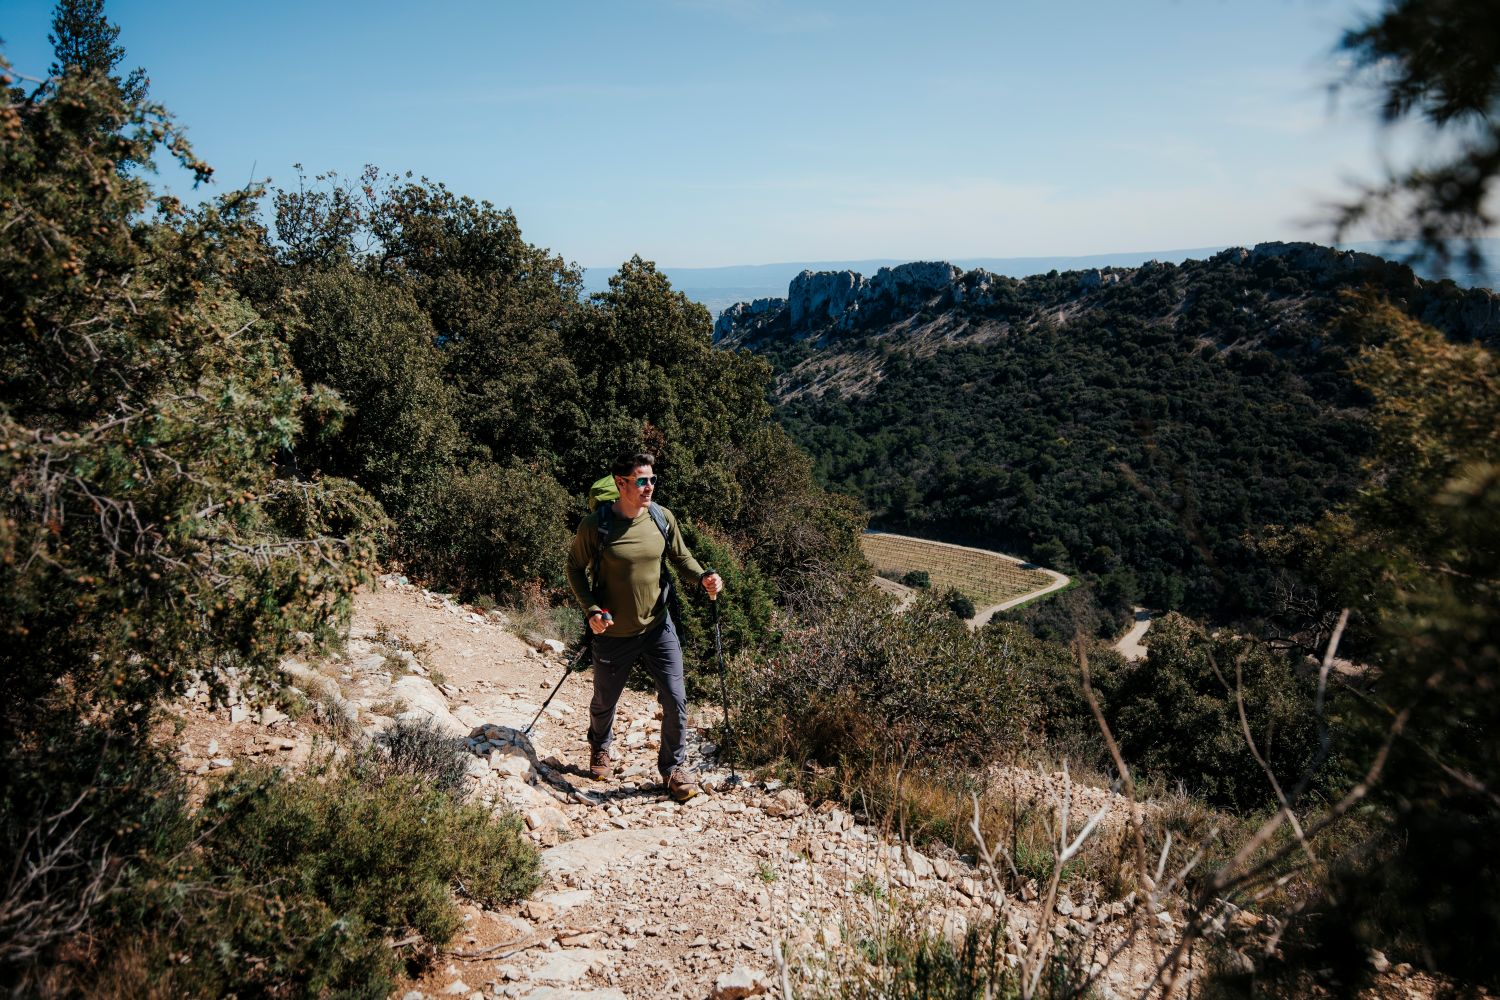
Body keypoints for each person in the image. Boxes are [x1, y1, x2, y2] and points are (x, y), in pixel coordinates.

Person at [566, 451, 723, 801]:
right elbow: (574, 568)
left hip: (657, 627)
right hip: (613, 632)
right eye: (642, 480)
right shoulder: (597, 526)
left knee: (676, 698)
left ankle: (673, 769)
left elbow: (681, 557)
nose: (649, 486)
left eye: (652, 479)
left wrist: (704, 577)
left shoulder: (660, 517)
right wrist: (591, 608)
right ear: (621, 484)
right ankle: (600, 746)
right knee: (605, 701)